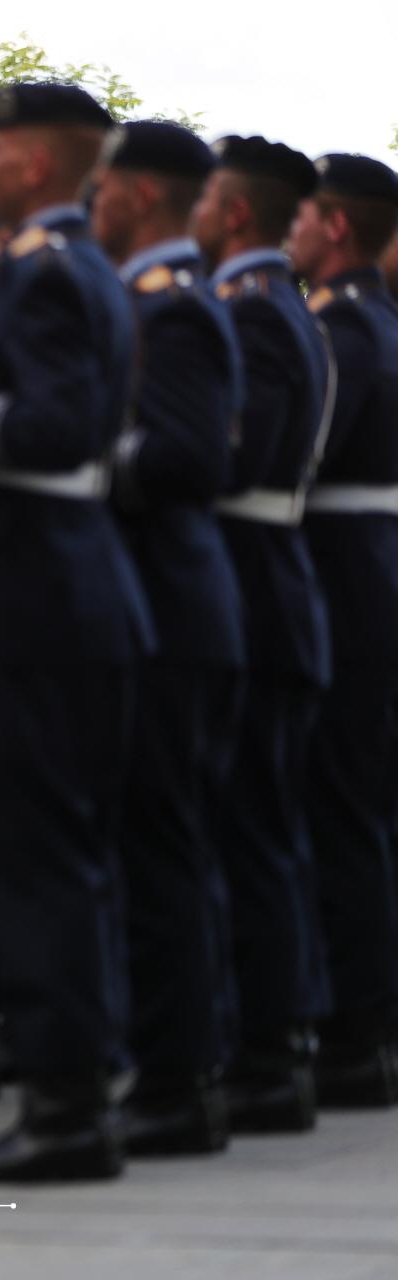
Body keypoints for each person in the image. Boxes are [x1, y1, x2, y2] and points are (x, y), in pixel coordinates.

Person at [0, 81, 152, 1182]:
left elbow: (51, 432)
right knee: (55, 858)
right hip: (50, 597)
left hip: (37, 601)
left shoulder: (50, 275)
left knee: (36, 860)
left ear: (39, 165)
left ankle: (62, 1106)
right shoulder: (58, 269)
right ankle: (69, 1091)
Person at [90, 121, 247, 1155]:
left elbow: (184, 457)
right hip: (155, 592)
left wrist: (72, 453)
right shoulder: (163, 299)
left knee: (162, 844)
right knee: (151, 843)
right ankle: (168, 1068)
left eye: (102, 186)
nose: (89, 201)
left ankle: (176, 1082)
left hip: (172, 597)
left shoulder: (176, 309)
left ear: (141, 194)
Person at [193, 135, 335, 1132]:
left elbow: (233, 457)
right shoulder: (278, 306)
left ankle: (265, 1053)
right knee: (258, 829)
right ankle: (263, 1043)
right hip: (265, 578)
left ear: (235, 213)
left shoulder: (255, 315)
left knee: (252, 831)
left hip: (253, 581)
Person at [287, 152, 398, 1109]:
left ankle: (355, 1033)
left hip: (343, 573)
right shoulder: (380, 319)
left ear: (333, 228)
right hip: (375, 566)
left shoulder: (340, 329)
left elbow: (300, 455)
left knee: (340, 807)